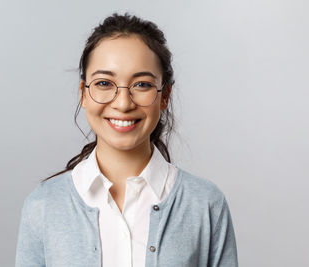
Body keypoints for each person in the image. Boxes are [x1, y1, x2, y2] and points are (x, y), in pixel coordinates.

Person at [15, 12, 238, 267]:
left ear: (164, 95)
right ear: (83, 94)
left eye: (141, 85)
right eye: (104, 83)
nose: (123, 103)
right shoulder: (44, 205)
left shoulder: (205, 204)